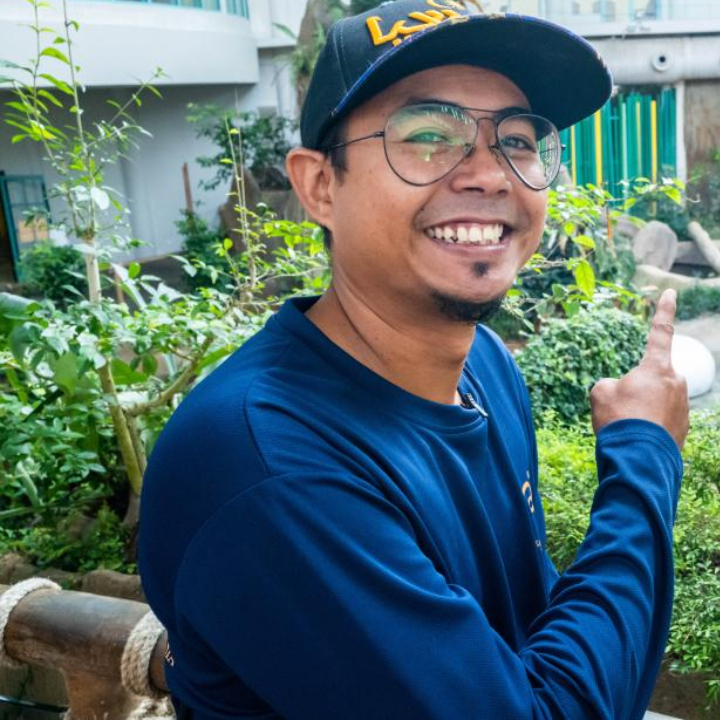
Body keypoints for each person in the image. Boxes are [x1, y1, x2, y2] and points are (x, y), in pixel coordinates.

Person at [137, 1, 690, 718]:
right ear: (319, 186)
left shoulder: (486, 364)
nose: (491, 175)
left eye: (517, 141)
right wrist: (644, 457)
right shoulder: (265, 461)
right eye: (429, 135)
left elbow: (530, 619)